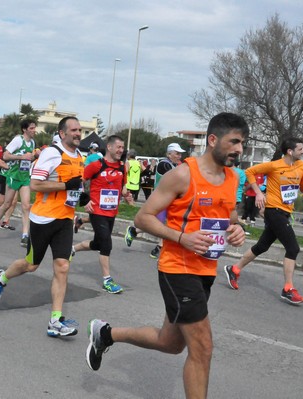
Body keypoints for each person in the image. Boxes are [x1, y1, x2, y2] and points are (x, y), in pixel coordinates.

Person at [86, 112, 248, 399]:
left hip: (205, 270)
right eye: (234, 141)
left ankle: (105, 334)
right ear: (212, 140)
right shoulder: (182, 175)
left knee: (171, 343)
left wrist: (236, 228)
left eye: (242, 143)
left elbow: (229, 214)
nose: (239, 149)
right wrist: (182, 237)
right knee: (203, 348)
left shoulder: (232, 177)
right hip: (178, 268)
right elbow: (142, 218)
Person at [0, 116, 84, 337]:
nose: (78, 133)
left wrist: (82, 195)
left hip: (65, 219)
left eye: (80, 130)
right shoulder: (52, 153)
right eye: (74, 130)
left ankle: (55, 321)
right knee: (31, 265)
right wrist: (64, 185)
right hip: (43, 220)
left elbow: (74, 186)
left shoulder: (80, 156)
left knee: (62, 267)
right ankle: (2, 278)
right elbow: (35, 184)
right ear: (62, 133)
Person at [224, 137, 303, 305]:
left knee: (262, 246)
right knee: (293, 248)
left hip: (286, 211)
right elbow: (249, 172)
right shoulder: (274, 165)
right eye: (301, 149)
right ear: (290, 151)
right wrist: (258, 192)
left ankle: (234, 269)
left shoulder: (301, 165)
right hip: (273, 210)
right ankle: (288, 289)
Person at [72, 135, 131, 294]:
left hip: (111, 211)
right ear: (109, 147)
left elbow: (122, 187)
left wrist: (127, 195)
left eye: (122, 147)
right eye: (118, 147)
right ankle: (107, 280)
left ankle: (72, 249)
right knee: (106, 244)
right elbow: (79, 182)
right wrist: (85, 201)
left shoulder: (121, 167)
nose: (121, 150)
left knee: (98, 244)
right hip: (97, 210)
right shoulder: (96, 165)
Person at [124, 143, 185, 259]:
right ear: (169, 154)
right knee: (160, 224)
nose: (179, 156)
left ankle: (137, 233)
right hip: (161, 199)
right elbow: (176, 179)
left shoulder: (172, 165)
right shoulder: (164, 164)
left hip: (169, 200)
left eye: (180, 154)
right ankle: (157, 248)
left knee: (164, 224)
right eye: (177, 153)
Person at [0, 119, 36, 247]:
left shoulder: (32, 142)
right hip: (13, 176)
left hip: (25, 177)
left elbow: (28, 159)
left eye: (34, 128)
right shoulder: (18, 140)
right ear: (24, 129)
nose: (34, 130)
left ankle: (25, 236)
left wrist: (32, 158)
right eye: (31, 128)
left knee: (26, 206)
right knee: (7, 204)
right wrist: (21, 157)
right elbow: (5, 156)